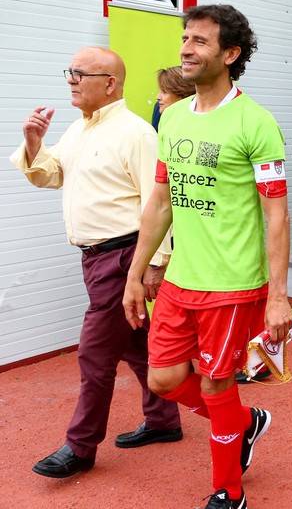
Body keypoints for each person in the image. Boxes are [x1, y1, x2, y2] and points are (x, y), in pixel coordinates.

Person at [122, 4, 292, 508]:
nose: (185, 49)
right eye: (185, 39)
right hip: (181, 279)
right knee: (165, 378)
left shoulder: (255, 123)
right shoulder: (171, 118)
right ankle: (245, 422)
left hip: (233, 284)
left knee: (218, 384)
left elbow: (276, 215)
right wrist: (137, 273)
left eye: (199, 41)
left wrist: (279, 298)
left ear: (230, 53)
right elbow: (161, 201)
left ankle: (228, 491)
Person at [10, 47, 181, 479]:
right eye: (69, 71)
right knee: (135, 346)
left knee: (93, 355)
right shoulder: (79, 130)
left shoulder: (138, 134)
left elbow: (159, 204)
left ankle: (80, 447)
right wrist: (34, 143)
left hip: (122, 258)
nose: (71, 79)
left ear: (110, 82)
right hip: (96, 261)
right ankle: (164, 421)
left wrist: (153, 266)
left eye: (80, 73)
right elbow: (51, 175)